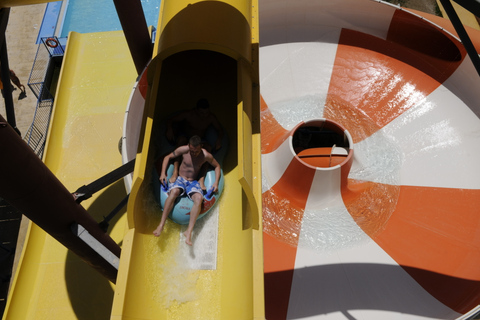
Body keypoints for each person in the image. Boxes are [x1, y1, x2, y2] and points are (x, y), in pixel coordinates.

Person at [153, 135, 221, 245]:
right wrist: (162, 173)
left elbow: (217, 166)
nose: (194, 154)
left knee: (199, 198)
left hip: (193, 182)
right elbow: (167, 157)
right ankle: (161, 225)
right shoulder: (183, 150)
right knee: (174, 192)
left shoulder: (205, 155)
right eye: (192, 151)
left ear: (201, 147)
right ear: (189, 146)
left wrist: (216, 182)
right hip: (180, 179)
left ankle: (188, 232)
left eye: (197, 151)